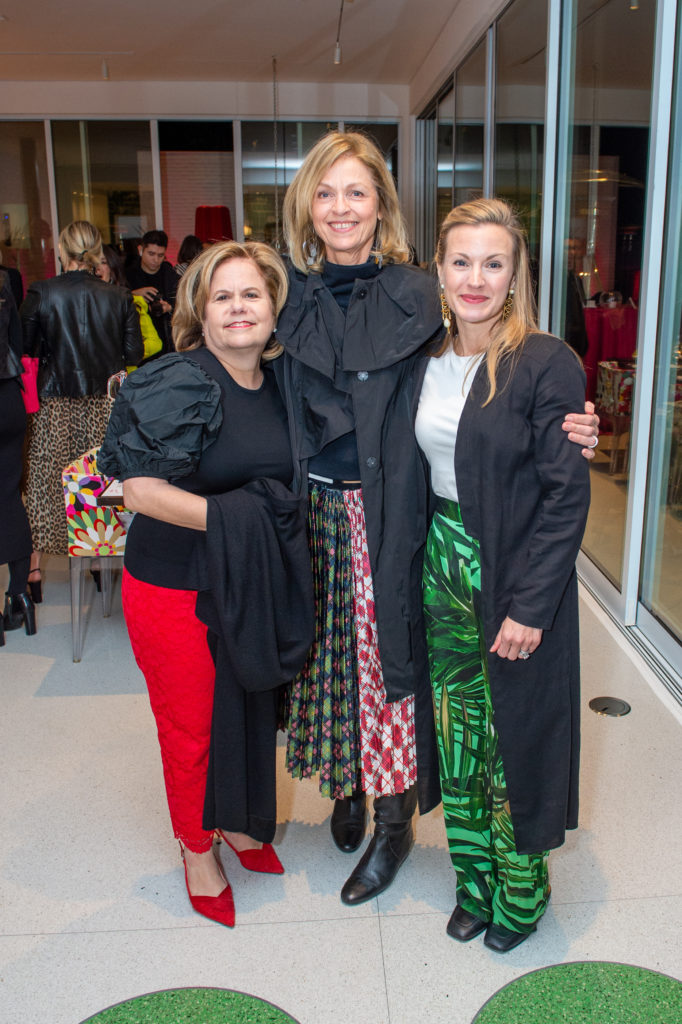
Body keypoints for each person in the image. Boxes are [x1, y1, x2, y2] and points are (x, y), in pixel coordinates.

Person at [277, 131, 600, 906]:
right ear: (306, 205)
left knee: (393, 667)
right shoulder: (284, 287)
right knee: (330, 667)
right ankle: (347, 787)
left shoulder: (422, 296)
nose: (341, 207)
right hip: (308, 510)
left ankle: (397, 822)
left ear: (383, 203)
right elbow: (234, 341)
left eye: (357, 191)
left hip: (395, 514)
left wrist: (570, 427)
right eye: (325, 192)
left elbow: (499, 380)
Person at [97, 241, 313, 928]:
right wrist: (232, 520)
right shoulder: (179, 380)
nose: (239, 308)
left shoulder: (280, 382)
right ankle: (197, 848)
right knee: (190, 727)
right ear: (201, 309)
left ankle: (242, 825)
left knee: (247, 710)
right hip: (174, 585)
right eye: (223, 297)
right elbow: (137, 491)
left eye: (252, 294)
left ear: (274, 306)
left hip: (244, 580)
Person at [415, 197, 590, 953]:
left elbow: (565, 496)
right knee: (458, 737)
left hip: (515, 569)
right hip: (441, 564)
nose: (476, 278)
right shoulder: (422, 355)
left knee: (510, 740)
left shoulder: (546, 359)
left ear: (516, 272)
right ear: (440, 270)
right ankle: (472, 882)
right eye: (462, 261)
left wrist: (531, 605)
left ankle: (521, 892)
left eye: (494, 262)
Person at [19, 220, 142, 603]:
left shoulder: (42, 291)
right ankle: (97, 561)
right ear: (96, 250)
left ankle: (34, 570)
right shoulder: (120, 297)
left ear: (62, 250)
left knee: (45, 485)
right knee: (101, 484)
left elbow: (28, 347)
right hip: (105, 403)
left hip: (56, 402)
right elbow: (134, 354)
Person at [0, 272, 34, 642]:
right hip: (8, 397)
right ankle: (19, 595)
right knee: (10, 496)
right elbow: (17, 343)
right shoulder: (3, 282)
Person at [97, 244, 162, 366]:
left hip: (123, 377)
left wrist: (122, 353)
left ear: (112, 269)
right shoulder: (83, 304)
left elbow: (155, 343)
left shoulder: (130, 301)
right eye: (93, 263)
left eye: (103, 262)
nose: (97, 268)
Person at [126, 229, 178, 354]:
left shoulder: (171, 276)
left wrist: (170, 308)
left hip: (167, 342)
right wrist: (133, 294)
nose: (156, 260)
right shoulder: (128, 275)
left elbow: (185, 307)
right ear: (140, 250)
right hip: (140, 343)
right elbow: (115, 303)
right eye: (151, 254)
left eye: (160, 255)